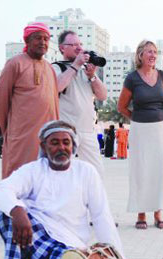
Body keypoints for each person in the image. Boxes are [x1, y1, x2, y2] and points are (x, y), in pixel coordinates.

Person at [0, 120, 124, 259]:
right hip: (39, 237)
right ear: (44, 147)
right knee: (5, 213)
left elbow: (101, 215)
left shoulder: (86, 171)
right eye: (54, 143)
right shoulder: (33, 170)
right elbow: (1, 190)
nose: (61, 148)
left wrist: (118, 257)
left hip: (71, 244)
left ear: (73, 146)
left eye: (66, 142)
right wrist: (17, 211)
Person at [117, 39, 163, 230]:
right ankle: (141, 214)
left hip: (161, 129)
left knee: (160, 171)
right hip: (140, 130)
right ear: (140, 55)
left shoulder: (162, 76)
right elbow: (121, 107)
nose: (153, 55)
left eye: (155, 52)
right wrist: (137, 119)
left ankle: (158, 213)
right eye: (149, 52)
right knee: (141, 171)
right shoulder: (132, 78)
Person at [0, 22, 59, 178]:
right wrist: (8, 130)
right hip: (21, 136)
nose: (43, 42)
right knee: (18, 178)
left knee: (45, 178)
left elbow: (54, 103)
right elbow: (1, 99)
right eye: (38, 38)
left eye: (46, 39)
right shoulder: (15, 63)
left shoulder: (50, 68)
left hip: (47, 136)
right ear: (27, 41)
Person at [53, 30, 107, 176]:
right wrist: (76, 65)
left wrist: (93, 76)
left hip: (88, 130)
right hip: (67, 130)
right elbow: (57, 87)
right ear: (62, 48)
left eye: (80, 44)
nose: (79, 48)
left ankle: (90, 198)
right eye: (73, 44)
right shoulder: (56, 67)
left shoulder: (86, 70)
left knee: (97, 173)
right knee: (61, 171)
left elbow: (102, 95)